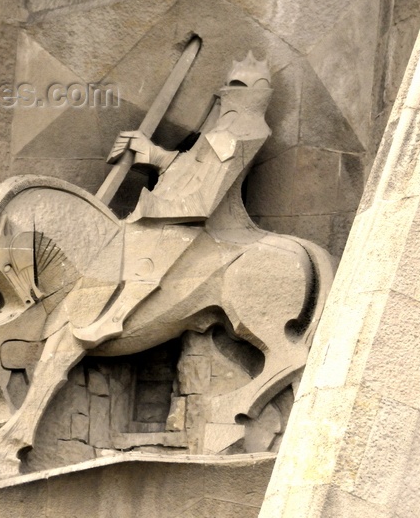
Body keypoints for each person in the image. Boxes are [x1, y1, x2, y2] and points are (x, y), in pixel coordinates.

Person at [73, 51, 273, 346]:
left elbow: (204, 202)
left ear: (260, 94)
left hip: (203, 225)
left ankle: (114, 318)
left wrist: (150, 206)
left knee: (151, 243)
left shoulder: (246, 133)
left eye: (243, 86)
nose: (233, 93)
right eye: (232, 84)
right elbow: (192, 167)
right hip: (177, 211)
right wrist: (153, 154)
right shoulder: (220, 129)